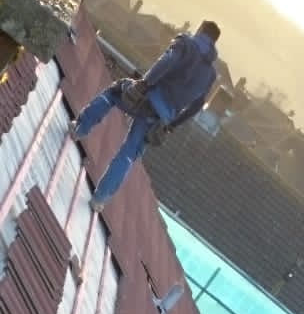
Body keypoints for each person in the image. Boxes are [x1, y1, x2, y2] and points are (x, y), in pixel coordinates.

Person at [71, 21, 221, 207]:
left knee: (114, 93)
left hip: (148, 97)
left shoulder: (186, 44)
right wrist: (172, 125)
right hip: (161, 119)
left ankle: (79, 129)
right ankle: (99, 199)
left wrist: (144, 83)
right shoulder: (210, 75)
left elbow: (166, 62)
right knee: (129, 153)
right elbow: (197, 106)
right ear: (214, 43)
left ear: (201, 30)